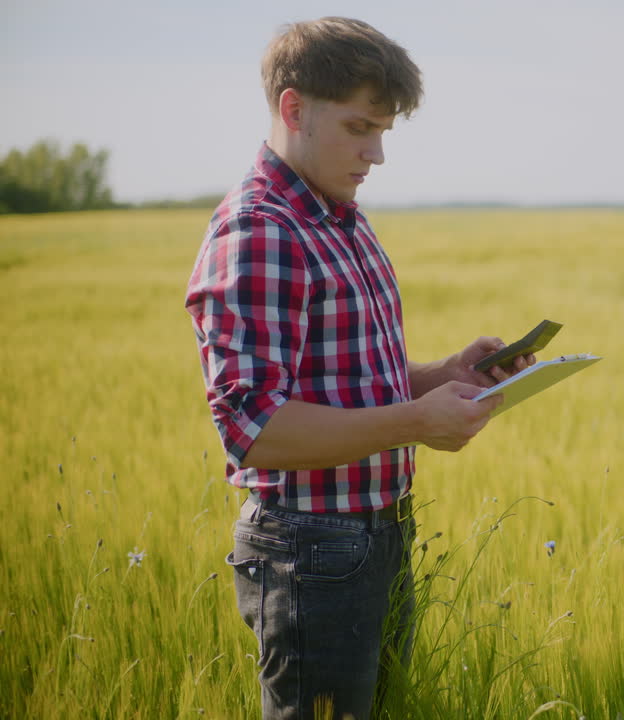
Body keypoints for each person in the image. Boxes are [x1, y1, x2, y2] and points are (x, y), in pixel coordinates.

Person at [184, 17, 532, 719]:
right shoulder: (262, 231)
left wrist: (446, 373)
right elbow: (258, 430)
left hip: (377, 535)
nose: (376, 153)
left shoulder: (341, 217)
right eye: (359, 127)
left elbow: (352, 386)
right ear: (293, 109)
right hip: (309, 550)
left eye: (384, 132)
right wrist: (416, 423)